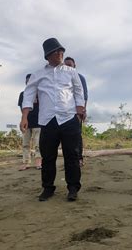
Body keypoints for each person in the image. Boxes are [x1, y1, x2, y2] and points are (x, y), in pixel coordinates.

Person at [20, 38, 85, 202]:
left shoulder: (71, 72)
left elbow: (78, 91)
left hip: (69, 118)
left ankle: (73, 188)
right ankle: (48, 188)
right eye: (57, 51)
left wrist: (80, 111)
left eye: (61, 51)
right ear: (48, 55)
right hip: (48, 120)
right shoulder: (38, 75)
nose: (60, 53)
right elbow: (28, 95)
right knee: (48, 156)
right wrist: (25, 116)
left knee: (72, 154)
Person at [64, 56, 88, 166]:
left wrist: (82, 111)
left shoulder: (80, 78)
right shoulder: (61, 79)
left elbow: (84, 96)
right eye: (66, 65)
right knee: (65, 137)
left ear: (74, 66)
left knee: (77, 135)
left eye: (70, 65)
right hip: (64, 112)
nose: (68, 67)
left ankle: (79, 158)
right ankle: (70, 159)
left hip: (76, 111)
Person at [18, 73, 42, 171]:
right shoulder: (22, 94)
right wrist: (24, 119)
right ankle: (26, 162)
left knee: (38, 143)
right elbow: (22, 108)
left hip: (39, 122)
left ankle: (38, 161)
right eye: (28, 81)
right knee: (25, 143)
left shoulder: (41, 93)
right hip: (27, 122)